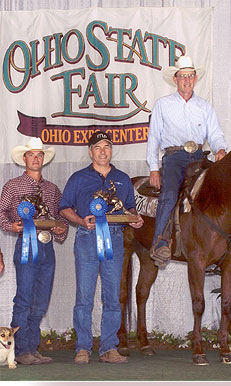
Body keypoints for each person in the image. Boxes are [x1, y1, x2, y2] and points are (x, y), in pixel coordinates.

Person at [59, 131, 144, 365]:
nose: (103, 151)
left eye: (107, 146)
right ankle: (83, 347)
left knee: (113, 296)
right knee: (84, 296)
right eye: (98, 147)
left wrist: (135, 219)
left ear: (111, 150)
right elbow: (64, 207)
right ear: (90, 152)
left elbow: (129, 209)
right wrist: (79, 220)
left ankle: (108, 347)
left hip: (115, 239)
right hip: (87, 237)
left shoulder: (123, 178)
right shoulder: (78, 178)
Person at [147, 55, 227, 265]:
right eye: (183, 76)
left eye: (190, 76)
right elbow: (153, 137)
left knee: (223, 189)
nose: (187, 80)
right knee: (170, 193)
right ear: (175, 79)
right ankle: (161, 242)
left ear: (195, 78)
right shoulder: (163, 105)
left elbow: (216, 134)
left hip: (199, 156)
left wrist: (220, 149)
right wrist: (154, 168)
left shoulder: (205, 106)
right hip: (174, 157)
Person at [0, 137, 68, 365]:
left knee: (40, 300)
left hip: (47, 245)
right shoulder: (12, 186)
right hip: (26, 245)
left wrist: (60, 229)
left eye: (40, 155)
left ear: (43, 159)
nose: (36, 158)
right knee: (25, 298)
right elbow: (1, 212)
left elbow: (60, 217)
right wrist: (12, 226)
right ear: (24, 159)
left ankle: (31, 347)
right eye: (32, 155)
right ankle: (20, 351)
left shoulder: (52, 189)